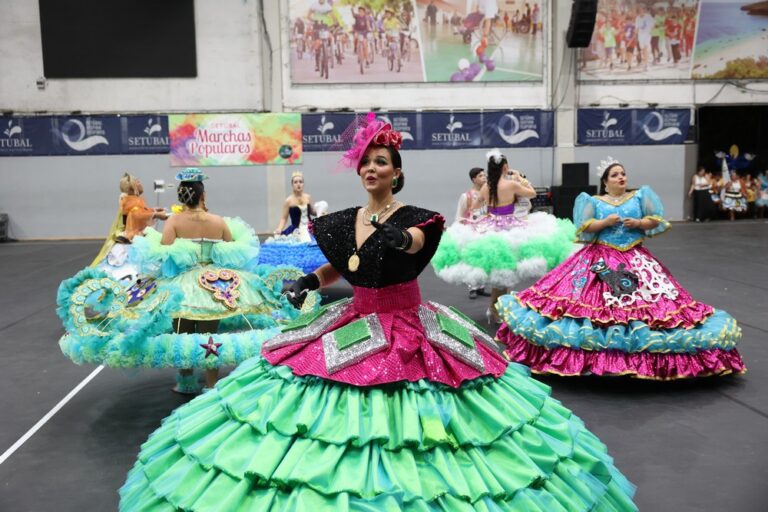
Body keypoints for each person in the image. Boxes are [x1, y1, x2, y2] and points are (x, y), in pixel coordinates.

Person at [119, 116, 638, 512]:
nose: (372, 168)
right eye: (366, 162)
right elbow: (340, 268)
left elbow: (415, 242)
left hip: (407, 324)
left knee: (416, 416)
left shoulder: (419, 218)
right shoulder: (344, 220)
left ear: (397, 172)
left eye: (382, 162)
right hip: (353, 318)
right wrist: (310, 281)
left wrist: (400, 237)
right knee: (321, 405)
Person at [58, 168, 308, 394]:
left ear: (181, 197)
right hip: (215, 284)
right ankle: (211, 385)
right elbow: (233, 251)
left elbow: (164, 252)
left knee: (184, 332)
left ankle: (186, 381)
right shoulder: (218, 221)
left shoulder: (175, 221)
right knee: (210, 334)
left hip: (183, 286)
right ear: (202, 195)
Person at [496, 158, 745, 379]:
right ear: (605, 182)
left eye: (623, 174)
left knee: (653, 305)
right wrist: (604, 222)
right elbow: (585, 228)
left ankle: (640, 356)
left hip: (635, 258)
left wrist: (639, 222)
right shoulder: (594, 201)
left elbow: (655, 220)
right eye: (615, 175)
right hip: (601, 260)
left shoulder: (638, 197)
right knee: (589, 305)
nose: (621, 177)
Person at [432, 150, 576, 324]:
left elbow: (475, 206)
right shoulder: (511, 184)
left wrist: (482, 212)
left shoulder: (486, 187)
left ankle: (496, 308)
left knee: (499, 268)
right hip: (511, 226)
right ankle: (496, 308)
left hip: (490, 225)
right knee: (506, 268)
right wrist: (520, 178)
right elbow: (532, 193)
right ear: (505, 167)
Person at [90, 173, 167, 280]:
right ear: (133, 187)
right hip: (135, 237)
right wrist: (156, 214)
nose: (141, 184)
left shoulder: (131, 200)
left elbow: (140, 211)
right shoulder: (133, 201)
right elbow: (137, 215)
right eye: (138, 182)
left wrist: (153, 210)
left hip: (135, 234)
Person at [259, 171, 328, 274]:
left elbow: (312, 212)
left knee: (316, 246)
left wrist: (321, 212)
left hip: (310, 228)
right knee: (293, 250)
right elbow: (284, 218)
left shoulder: (308, 197)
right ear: (292, 184)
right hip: (296, 230)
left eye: (300, 182)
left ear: (303, 183)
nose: (298, 184)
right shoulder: (288, 201)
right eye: (296, 182)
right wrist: (279, 228)